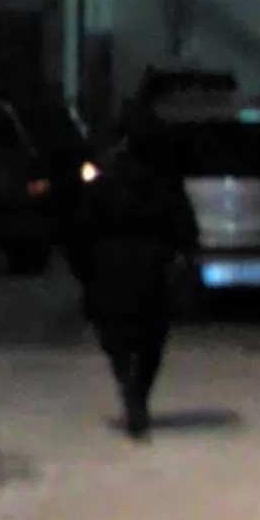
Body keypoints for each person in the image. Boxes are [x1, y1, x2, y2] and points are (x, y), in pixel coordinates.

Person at [81, 109, 200, 438]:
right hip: (152, 264)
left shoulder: (107, 177)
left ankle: (129, 388)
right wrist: (184, 254)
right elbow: (185, 226)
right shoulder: (165, 179)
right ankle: (139, 394)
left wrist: (87, 266)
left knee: (115, 333)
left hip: (113, 264)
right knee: (151, 337)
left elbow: (85, 224)